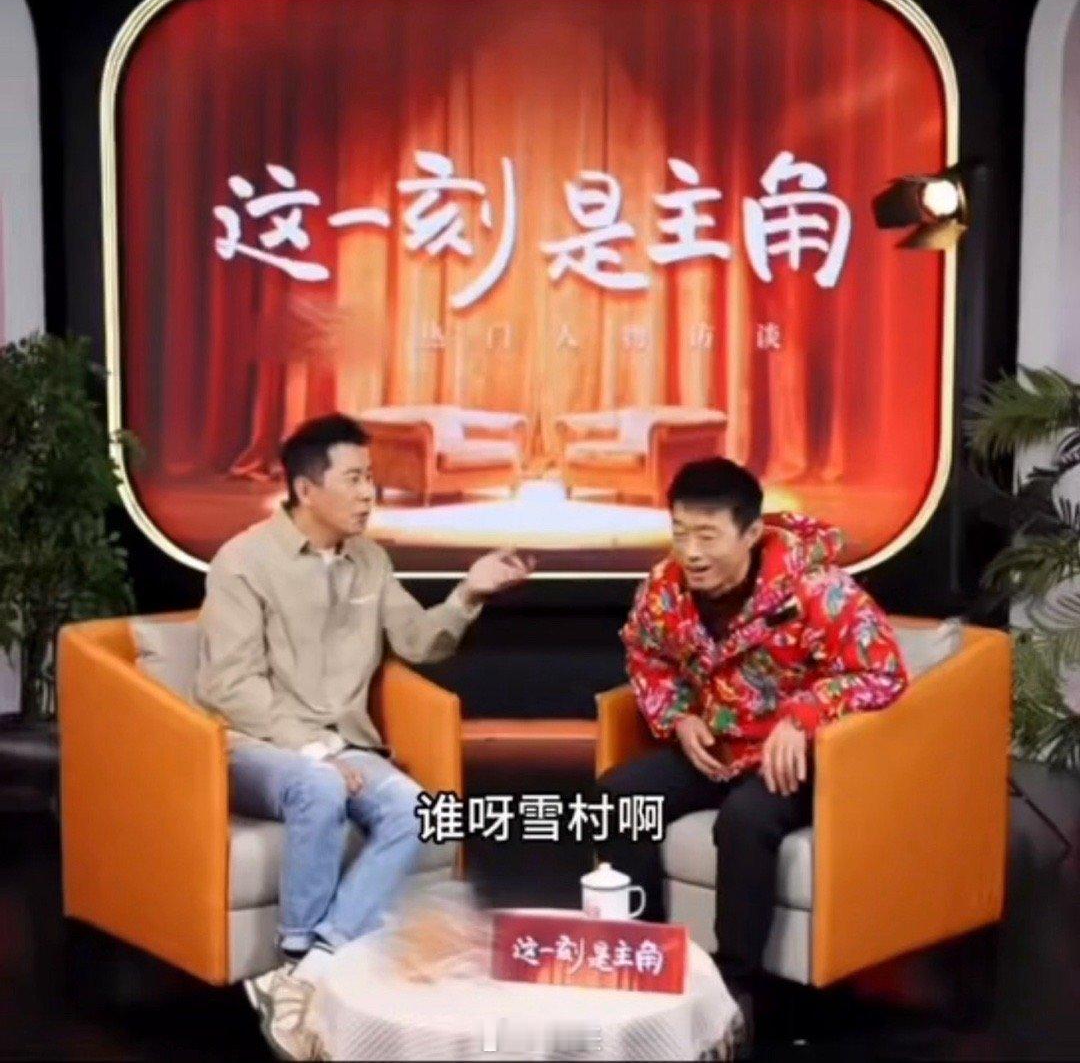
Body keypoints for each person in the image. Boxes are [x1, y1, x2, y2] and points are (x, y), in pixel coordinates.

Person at [196, 413, 533, 1058]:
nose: (368, 493)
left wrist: (468, 593)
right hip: (256, 745)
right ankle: (297, 951)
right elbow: (232, 688)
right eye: (353, 479)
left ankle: (309, 971)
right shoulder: (243, 563)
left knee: (416, 809)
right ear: (305, 489)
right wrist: (316, 750)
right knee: (320, 788)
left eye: (370, 478)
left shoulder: (369, 560)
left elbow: (417, 642)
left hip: (346, 744)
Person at [597, 457, 907, 1042]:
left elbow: (881, 671)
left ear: (751, 533)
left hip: (792, 760)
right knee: (619, 796)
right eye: (681, 534)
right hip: (714, 746)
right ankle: (638, 957)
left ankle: (733, 991)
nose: (691, 553)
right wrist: (679, 717)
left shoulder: (817, 588)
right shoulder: (664, 587)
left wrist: (805, 716)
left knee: (745, 820)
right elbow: (646, 655)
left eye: (707, 536)